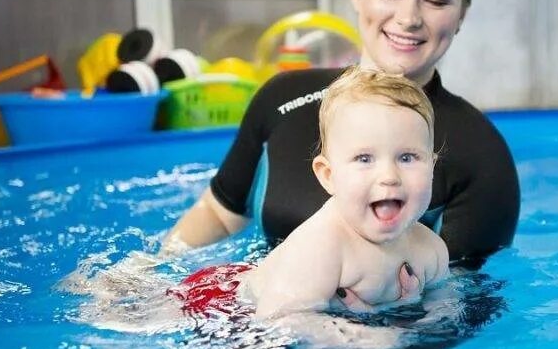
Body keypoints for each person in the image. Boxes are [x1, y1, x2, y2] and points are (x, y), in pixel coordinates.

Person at [165, 0, 519, 276]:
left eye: (437, 0)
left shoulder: (482, 156)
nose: (409, 17)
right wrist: (148, 272)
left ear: (461, 13)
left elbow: (455, 304)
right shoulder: (282, 99)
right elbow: (219, 215)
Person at [171, 67, 449, 318]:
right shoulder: (322, 248)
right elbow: (279, 321)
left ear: (432, 167)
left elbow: (445, 303)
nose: (389, 176)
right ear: (328, 176)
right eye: (364, 159)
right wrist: (362, 338)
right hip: (222, 302)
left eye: (408, 158)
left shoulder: (431, 249)